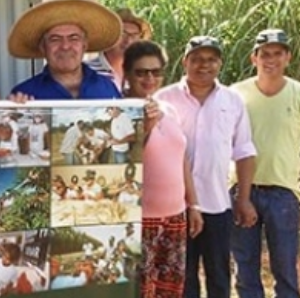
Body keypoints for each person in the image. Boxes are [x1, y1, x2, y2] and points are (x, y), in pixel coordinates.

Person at [152, 35, 258, 298]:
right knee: (182, 278)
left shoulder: (232, 101)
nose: (204, 65)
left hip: (217, 204)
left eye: (211, 59)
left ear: (220, 64)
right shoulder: (163, 99)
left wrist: (244, 199)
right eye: (197, 59)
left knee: (219, 277)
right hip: (176, 207)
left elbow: (244, 151)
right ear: (185, 61)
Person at [229, 28, 300, 298]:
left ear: (288, 57)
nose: (270, 59)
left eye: (277, 53)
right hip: (241, 191)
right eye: (264, 54)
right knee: (245, 268)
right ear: (254, 58)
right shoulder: (234, 94)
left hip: (283, 195)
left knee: (285, 268)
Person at [123, 40, 204, 298]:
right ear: (126, 73)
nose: (150, 78)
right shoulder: (118, 112)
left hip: (175, 219)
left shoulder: (168, 109)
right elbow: (122, 161)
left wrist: (193, 204)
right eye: (141, 72)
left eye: (156, 71)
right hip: (140, 221)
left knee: (170, 290)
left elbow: (181, 160)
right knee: (140, 291)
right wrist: (144, 127)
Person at [7, 0, 123, 100]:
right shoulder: (24, 94)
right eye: (55, 39)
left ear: (84, 45)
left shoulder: (107, 87)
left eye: (74, 38)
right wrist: (14, 115)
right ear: (43, 47)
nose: (65, 46)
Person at [85, 7, 153, 93]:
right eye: (123, 34)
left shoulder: (138, 73)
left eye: (134, 36)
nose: (128, 41)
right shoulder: (87, 70)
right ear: (109, 36)